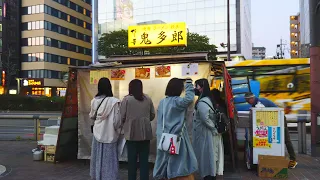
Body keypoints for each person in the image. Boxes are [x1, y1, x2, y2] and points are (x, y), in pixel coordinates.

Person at [153, 78, 198, 180]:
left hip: (164, 138)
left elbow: (160, 121)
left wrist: (159, 135)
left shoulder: (162, 102)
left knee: (164, 161)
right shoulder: (177, 101)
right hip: (176, 137)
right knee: (179, 163)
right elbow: (190, 98)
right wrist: (189, 84)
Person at [244, 92, 298, 169]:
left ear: (251, 99)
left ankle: (293, 160)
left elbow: (261, 116)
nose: (247, 102)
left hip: (280, 119)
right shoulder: (256, 103)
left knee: (286, 139)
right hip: (275, 120)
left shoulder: (259, 104)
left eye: (247, 100)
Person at [120, 79, 155, 180]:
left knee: (132, 162)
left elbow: (122, 117)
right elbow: (152, 115)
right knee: (144, 161)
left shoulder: (127, 100)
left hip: (131, 135)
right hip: (145, 135)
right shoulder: (147, 99)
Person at [89, 78, 121, 180]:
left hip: (97, 133)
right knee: (110, 159)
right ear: (109, 87)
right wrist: (118, 130)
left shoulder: (94, 101)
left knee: (97, 157)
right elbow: (117, 121)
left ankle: (97, 176)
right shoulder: (115, 102)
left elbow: (91, 116)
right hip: (110, 133)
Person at [193, 79, 224, 180]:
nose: (195, 88)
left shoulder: (202, 101)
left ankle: (209, 176)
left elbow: (204, 118)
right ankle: (210, 174)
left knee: (207, 156)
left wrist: (213, 128)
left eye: (196, 86)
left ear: (201, 88)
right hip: (208, 132)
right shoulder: (208, 99)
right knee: (210, 156)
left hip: (206, 133)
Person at [211, 88, 230, 157]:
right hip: (224, 125)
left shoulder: (215, 103)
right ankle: (226, 153)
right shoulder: (222, 102)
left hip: (219, 125)